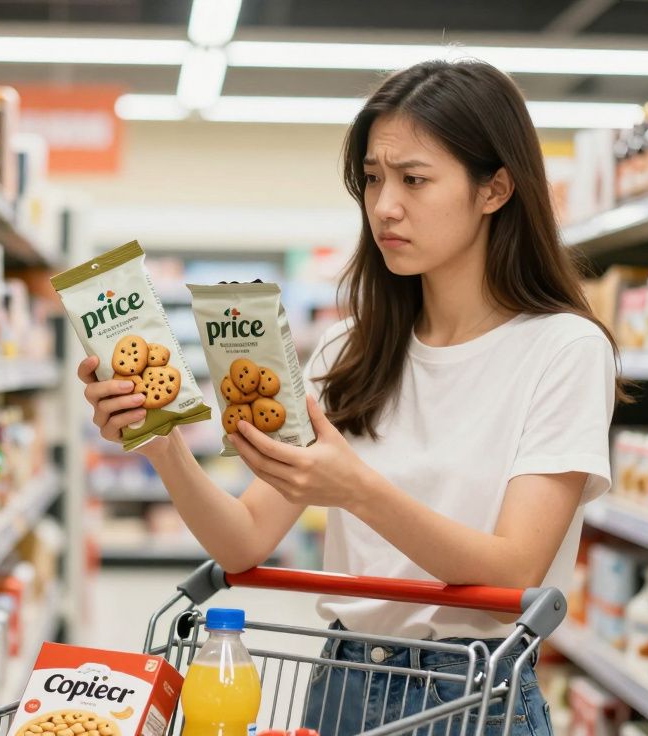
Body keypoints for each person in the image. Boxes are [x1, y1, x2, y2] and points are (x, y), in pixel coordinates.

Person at [76, 58, 620, 736]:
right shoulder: (350, 352)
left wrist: (356, 489)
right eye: (372, 178)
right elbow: (243, 542)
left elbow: (515, 568)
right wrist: (162, 446)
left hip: (474, 698)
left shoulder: (562, 350)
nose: (385, 205)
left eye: (415, 179)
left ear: (495, 189)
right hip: (339, 685)